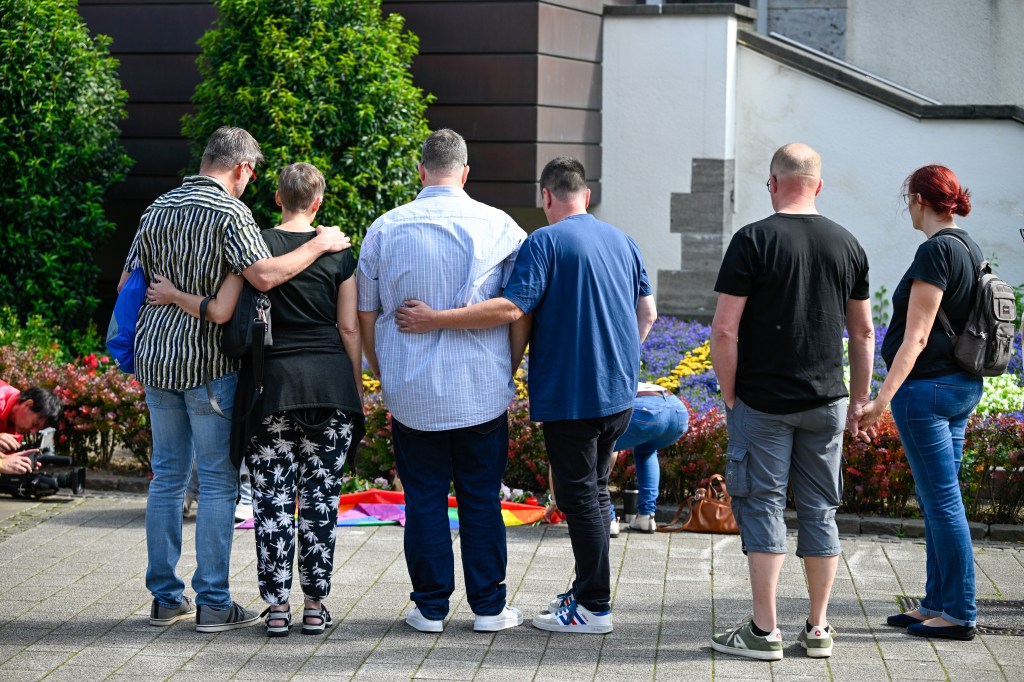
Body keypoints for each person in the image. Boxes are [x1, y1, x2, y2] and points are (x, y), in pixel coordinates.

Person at [396, 156, 657, 635]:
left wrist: (435, 319)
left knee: (578, 498)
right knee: (594, 494)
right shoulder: (623, 240)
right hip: (617, 394)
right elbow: (648, 313)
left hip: (571, 395)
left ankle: (594, 606)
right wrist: (617, 358)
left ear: (546, 196)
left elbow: (511, 308)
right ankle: (588, 596)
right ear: (586, 194)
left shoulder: (545, 242)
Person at [121, 126, 350, 633]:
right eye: (251, 175)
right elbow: (264, 276)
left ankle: (163, 599)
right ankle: (213, 604)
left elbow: (126, 283)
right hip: (207, 364)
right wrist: (319, 245)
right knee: (220, 481)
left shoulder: (156, 208)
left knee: (166, 477)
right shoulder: (230, 213)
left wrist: (171, 293)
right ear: (243, 168)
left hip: (156, 358)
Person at [357, 129, 529, 634]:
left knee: (424, 499)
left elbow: (366, 312)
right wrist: (511, 365)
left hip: (411, 392)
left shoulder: (385, 228)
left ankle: (430, 607)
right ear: (466, 172)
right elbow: (519, 311)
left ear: (421, 170)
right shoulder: (501, 226)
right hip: (481, 388)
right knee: (481, 498)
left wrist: (381, 368)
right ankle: (489, 608)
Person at [708, 143, 873, 661]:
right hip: (827, 402)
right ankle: (819, 630)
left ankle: (763, 632)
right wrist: (861, 401)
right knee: (821, 510)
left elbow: (724, 328)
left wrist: (730, 394)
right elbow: (864, 331)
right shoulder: (848, 244)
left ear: (774, 184)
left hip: (763, 400)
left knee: (763, 506)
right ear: (818, 185)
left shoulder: (752, 240)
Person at [850, 165, 983, 642]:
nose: (906, 205)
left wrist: (881, 401)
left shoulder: (935, 251)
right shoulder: (968, 247)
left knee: (943, 504)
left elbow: (918, 335)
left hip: (927, 391)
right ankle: (936, 604)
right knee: (937, 502)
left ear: (922, 200)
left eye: (908, 197)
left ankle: (960, 612)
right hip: (960, 386)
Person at [544, 383, 690, 535]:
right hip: (677, 411)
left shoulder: (574, 398)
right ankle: (646, 517)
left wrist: (555, 501)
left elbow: (561, 458)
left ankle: (608, 519)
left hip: (645, 410)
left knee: (599, 446)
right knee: (646, 451)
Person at [0, 381, 62, 474]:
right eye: (35, 424)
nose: (33, 432)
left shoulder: (16, 429)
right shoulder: (1, 396)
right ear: (28, 404)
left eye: (38, 430)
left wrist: (11, 460)